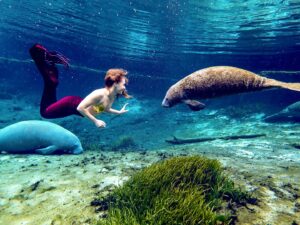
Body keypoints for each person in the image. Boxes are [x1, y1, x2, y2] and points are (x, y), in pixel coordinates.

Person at [29, 44, 130, 128]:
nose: (125, 87)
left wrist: (119, 112)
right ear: (115, 83)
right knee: (45, 113)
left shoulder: (110, 96)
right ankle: (35, 54)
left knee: (51, 86)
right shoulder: (100, 93)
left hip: (72, 106)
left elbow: (105, 108)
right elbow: (80, 108)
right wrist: (95, 121)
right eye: (123, 84)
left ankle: (51, 66)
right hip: (70, 105)